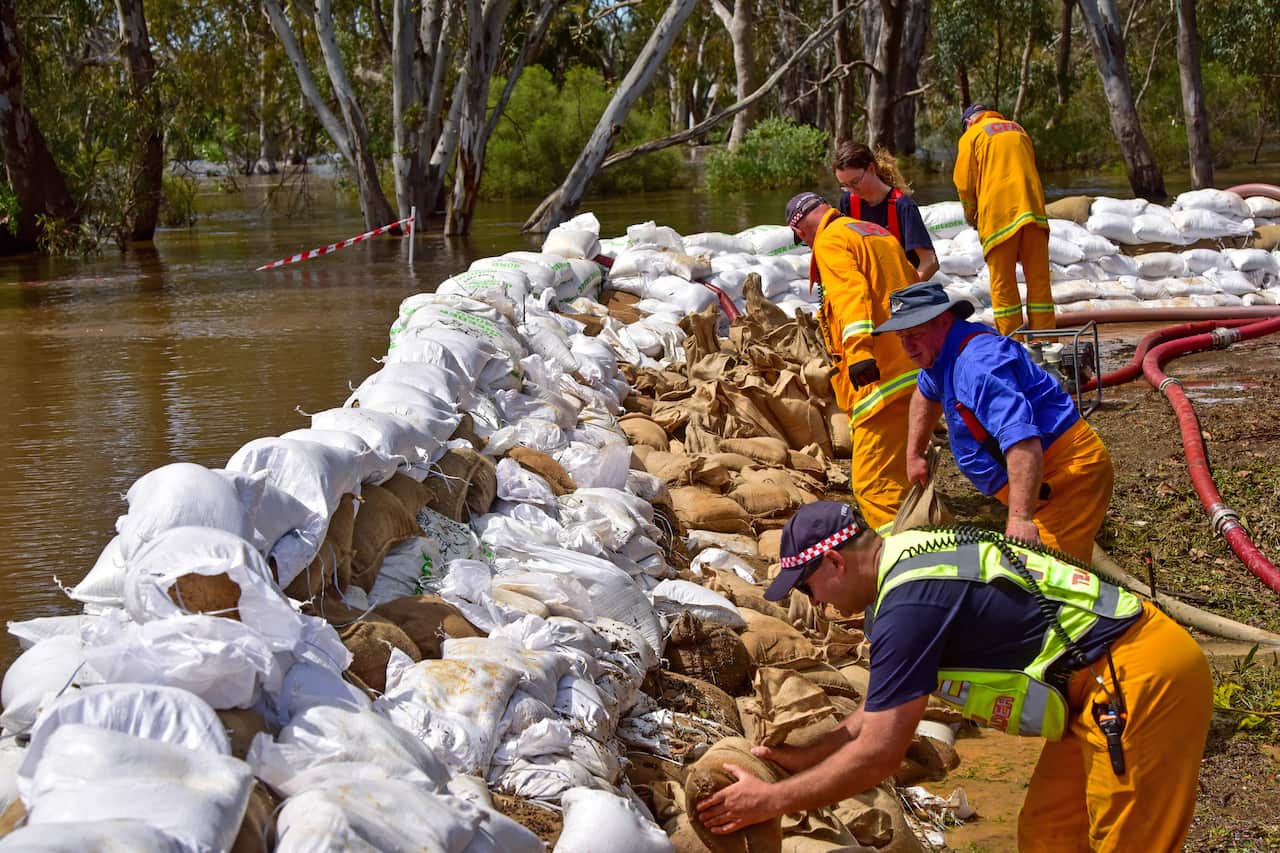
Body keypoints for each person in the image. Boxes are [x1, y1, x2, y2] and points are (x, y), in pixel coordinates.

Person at [695, 500, 1212, 852]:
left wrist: (772, 801)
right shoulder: (902, 573)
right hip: (1096, 688)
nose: (818, 605)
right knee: (1051, 834)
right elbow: (877, 710)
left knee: (1125, 841)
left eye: (809, 588)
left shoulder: (910, 602)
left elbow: (880, 753)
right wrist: (804, 756)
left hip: (1139, 680)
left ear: (833, 563)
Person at [874, 280, 1111, 563]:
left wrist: (1021, 520)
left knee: (1054, 583)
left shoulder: (978, 365)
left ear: (943, 320)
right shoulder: (940, 353)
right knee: (1039, 578)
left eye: (914, 334)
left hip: (1066, 475)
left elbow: (1022, 440)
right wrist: (914, 454)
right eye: (901, 336)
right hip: (1035, 481)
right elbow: (926, 392)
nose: (907, 346)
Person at [785, 191, 920, 532]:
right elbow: (911, 286)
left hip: (879, 378)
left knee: (872, 485)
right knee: (902, 473)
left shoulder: (830, 241)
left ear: (801, 231)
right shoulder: (873, 231)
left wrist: (859, 353)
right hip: (912, 367)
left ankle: (906, 558)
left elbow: (851, 296)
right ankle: (934, 537)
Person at [953, 103, 1054, 335]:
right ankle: (1046, 344)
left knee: (1004, 285)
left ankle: (1013, 344)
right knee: (1039, 285)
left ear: (968, 122)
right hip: (1034, 214)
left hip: (1000, 218)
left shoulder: (973, 135)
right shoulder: (1018, 129)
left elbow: (965, 183)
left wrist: (971, 216)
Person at [833, 141, 938, 282]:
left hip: (901, 285)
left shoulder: (903, 206)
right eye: (845, 185)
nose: (852, 190)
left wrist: (905, 294)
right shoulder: (847, 203)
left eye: (855, 182)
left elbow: (929, 262)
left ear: (871, 169)